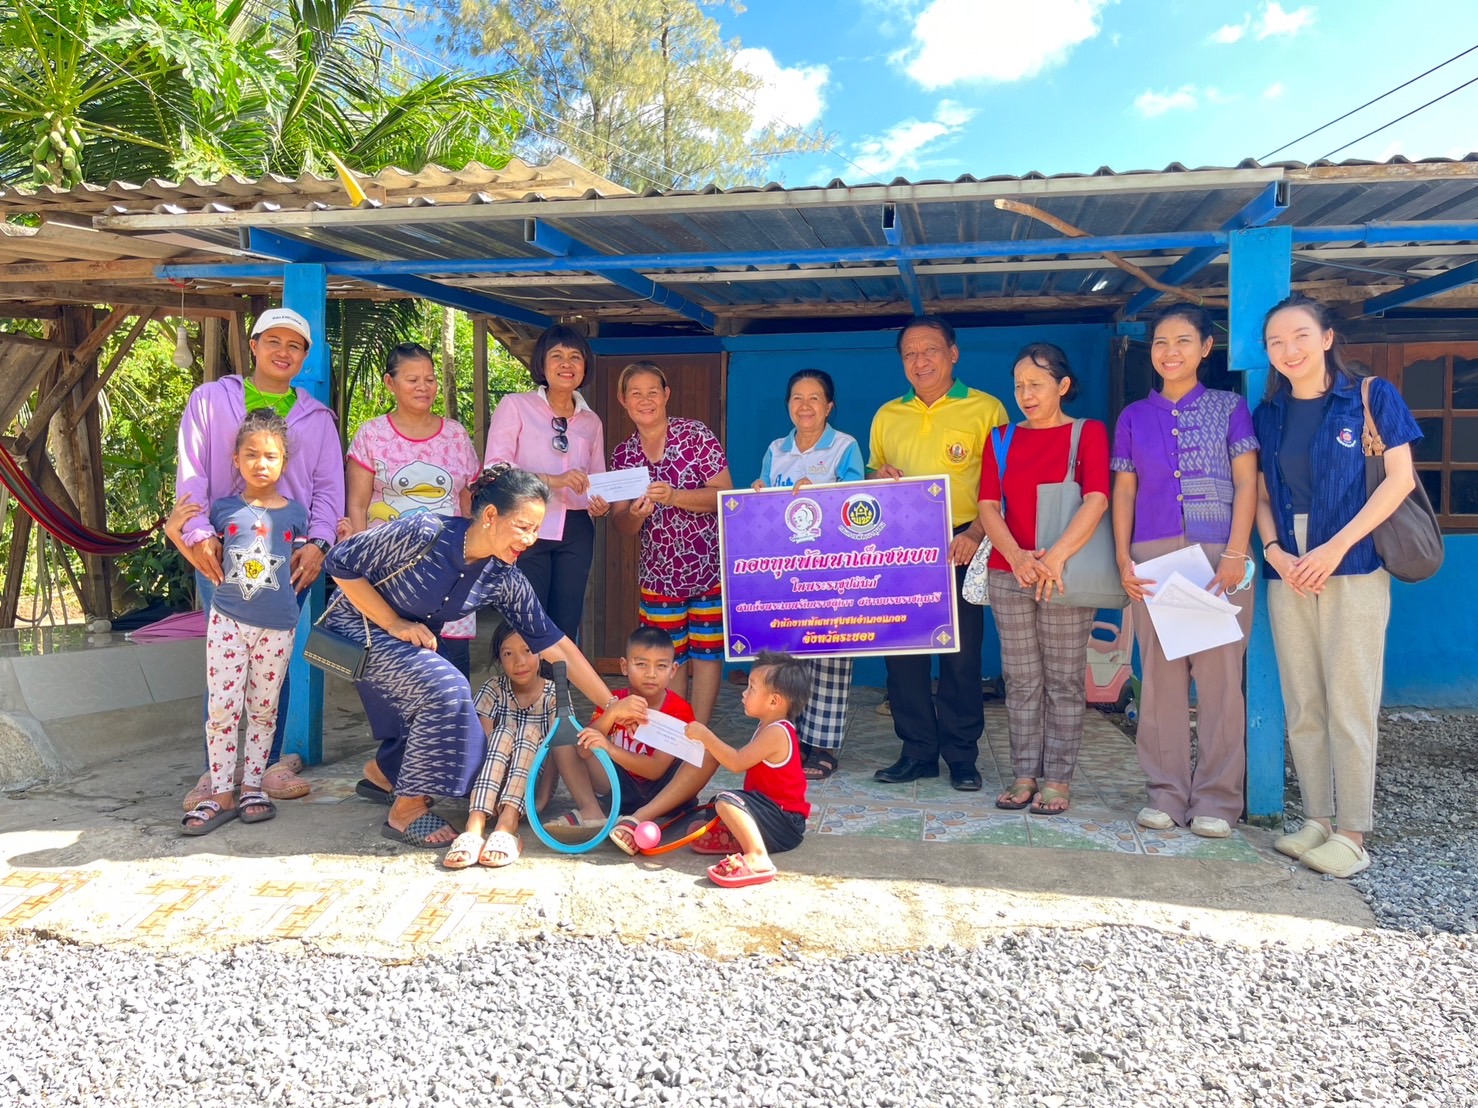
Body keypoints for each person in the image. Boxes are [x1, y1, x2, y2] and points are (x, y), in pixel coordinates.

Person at [323, 464, 639, 848]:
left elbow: (554, 644)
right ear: (490, 516)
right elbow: (340, 561)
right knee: (446, 687)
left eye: (537, 529)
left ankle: (385, 774)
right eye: (523, 526)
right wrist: (392, 622)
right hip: (356, 627)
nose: (530, 539)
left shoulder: (502, 577)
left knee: (451, 713)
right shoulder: (425, 532)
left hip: (407, 638)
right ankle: (404, 811)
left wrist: (610, 704)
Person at [1253, 294, 1421, 879]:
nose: (1288, 350)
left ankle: (1353, 831)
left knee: (1350, 699)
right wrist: (1273, 550)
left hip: (1353, 560)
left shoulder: (1370, 396)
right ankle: (1317, 818)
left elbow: (1398, 480)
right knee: (1304, 700)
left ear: (1326, 338)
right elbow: (1264, 496)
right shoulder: (1268, 413)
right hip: (1289, 566)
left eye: (1300, 336)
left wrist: (1335, 546)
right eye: (1276, 342)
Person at [174, 307, 345, 808]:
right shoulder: (210, 400)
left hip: (290, 557)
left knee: (276, 663)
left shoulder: (316, 418)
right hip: (221, 553)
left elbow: (328, 488)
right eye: (273, 341)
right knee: (222, 662)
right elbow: (192, 474)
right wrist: (199, 532)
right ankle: (216, 773)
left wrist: (318, 544)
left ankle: (264, 768)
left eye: (294, 345)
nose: (283, 352)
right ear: (253, 345)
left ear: (305, 356)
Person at [1112, 308, 1260, 838]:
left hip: (1219, 555)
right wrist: (1123, 557)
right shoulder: (1133, 416)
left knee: (1220, 681)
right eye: (1159, 342)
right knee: (1161, 681)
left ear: (1205, 348)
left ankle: (1218, 801)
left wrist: (1236, 552)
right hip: (1153, 556)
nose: (1169, 351)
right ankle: (1166, 794)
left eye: (1182, 341)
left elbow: (1247, 483)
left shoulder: (1229, 408)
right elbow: (1123, 489)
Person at [867, 317, 1008, 791]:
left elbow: (1004, 486)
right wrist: (876, 480)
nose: (920, 361)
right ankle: (918, 752)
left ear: (953, 353)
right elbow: (867, 487)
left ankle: (962, 757)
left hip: (962, 543)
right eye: (909, 353)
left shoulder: (986, 409)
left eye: (930, 350)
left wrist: (974, 531)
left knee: (961, 658)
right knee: (903, 657)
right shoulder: (888, 415)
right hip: (901, 550)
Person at [978, 342, 1110, 817]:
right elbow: (988, 506)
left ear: (1063, 386)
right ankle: (1023, 774)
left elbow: (1097, 498)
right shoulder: (1000, 438)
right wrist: (1015, 556)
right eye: (1019, 386)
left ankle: (1057, 779)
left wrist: (1053, 558)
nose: (1025, 394)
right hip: (1009, 572)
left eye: (1036, 384)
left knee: (1064, 680)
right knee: (1021, 679)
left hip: (1063, 574)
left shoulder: (1087, 434)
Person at [171, 410, 309, 835]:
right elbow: (198, 554)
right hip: (228, 621)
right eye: (251, 454)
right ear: (235, 459)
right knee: (222, 709)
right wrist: (176, 530)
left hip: (279, 625)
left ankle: (252, 787)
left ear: (284, 462)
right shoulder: (223, 510)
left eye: (270, 456)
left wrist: (340, 532)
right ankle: (221, 793)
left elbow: (309, 560)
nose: (260, 463)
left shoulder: (296, 514)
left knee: (264, 710)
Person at [752, 369, 866, 780]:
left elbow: (858, 502)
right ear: (788, 405)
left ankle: (822, 746)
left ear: (829, 406)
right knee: (787, 656)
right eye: (797, 398)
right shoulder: (775, 448)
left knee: (830, 657)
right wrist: (759, 494)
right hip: (786, 572)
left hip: (833, 571)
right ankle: (787, 737)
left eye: (814, 398)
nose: (805, 406)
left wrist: (821, 491)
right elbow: (765, 499)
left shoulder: (845, 446)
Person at [344, 342, 481, 676]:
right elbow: (358, 504)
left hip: (449, 571)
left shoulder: (456, 435)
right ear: (390, 383)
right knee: (395, 671)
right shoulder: (371, 435)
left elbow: (467, 501)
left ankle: (451, 730)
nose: (424, 387)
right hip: (390, 574)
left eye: (430, 379)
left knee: (452, 667)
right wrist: (361, 569)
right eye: (413, 379)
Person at [609, 361, 733, 724]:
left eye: (652, 391)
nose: (644, 400)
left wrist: (675, 496)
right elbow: (621, 525)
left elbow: (725, 495)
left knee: (708, 653)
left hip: (708, 567)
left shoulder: (695, 436)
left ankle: (700, 730)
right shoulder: (624, 456)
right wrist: (637, 514)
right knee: (667, 658)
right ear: (623, 400)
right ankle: (676, 733)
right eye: (636, 393)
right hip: (659, 574)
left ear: (666, 395)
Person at [484, 325, 610, 644]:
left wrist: (601, 503)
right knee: (526, 617)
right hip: (526, 525)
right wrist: (553, 480)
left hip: (577, 529)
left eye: (575, 357)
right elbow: (495, 469)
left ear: (585, 367)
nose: (566, 364)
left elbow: (597, 479)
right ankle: (523, 693)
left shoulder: (591, 421)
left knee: (565, 622)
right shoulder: (515, 405)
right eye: (557, 356)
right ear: (541, 364)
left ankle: (557, 693)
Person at [684, 651, 812, 888]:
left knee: (727, 801)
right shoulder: (768, 726)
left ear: (774, 701)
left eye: (751, 688)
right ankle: (737, 837)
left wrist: (705, 735)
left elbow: (736, 762)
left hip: (785, 821)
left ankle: (757, 857)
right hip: (771, 813)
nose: (744, 692)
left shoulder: (777, 732)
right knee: (716, 805)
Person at [544, 626, 692, 828]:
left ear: (673, 670)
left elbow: (656, 770)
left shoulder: (679, 709)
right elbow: (583, 751)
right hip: (618, 786)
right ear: (624, 666)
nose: (651, 674)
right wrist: (612, 712)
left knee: (705, 754)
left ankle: (643, 816)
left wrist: (610, 748)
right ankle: (591, 811)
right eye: (641, 664)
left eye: (661, 666)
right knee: (565, 743)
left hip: (662, 792)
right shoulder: (612, 700)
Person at [441, 624, 555, 869]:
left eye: (527, 650)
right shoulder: (493, 689)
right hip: (486, 788)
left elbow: (557, 754)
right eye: (508, 653)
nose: (519, 661)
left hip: (529, 789)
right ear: (499, 658)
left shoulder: (553, 695)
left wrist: (542, 801)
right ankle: (475, 823)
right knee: (502, 731)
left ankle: (508, 823)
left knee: (529, 731)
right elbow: (479, 747)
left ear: (541, 654)